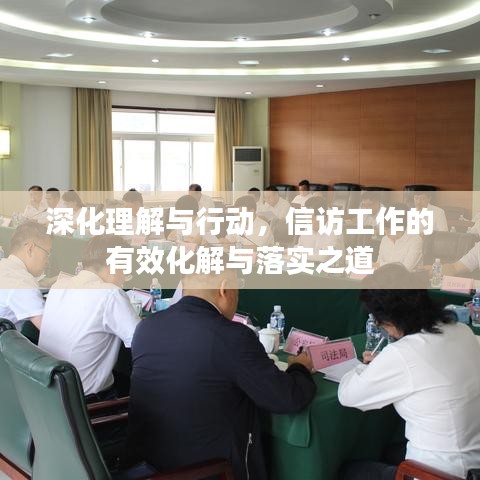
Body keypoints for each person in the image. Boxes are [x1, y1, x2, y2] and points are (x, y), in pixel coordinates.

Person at [126, 266, 316, 480]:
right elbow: (287, 397)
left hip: (146, 467)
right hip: (209, 471)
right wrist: (300, 367)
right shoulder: (232, 336)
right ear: (225, 289)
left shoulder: (146, 327)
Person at [338, 264, 480, 479]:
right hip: (474, 462)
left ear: (388, 320)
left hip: (438, 474)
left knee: (349, 471)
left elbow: (348, 396)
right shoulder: (462, 331)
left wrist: (365, 366)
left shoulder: (404, 353)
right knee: (389, 451)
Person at [38, 235, 140, 399]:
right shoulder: (110, 294)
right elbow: (141, 341)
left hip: (49, 393)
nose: (124, 278)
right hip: (88, 401)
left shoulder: (59, 285)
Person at [0, 222, 51, 330]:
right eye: (47, 253)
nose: (47, 261)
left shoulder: (4, 266)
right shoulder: (21, 280)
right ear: (30, 249)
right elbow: (50, 329)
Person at [375, 207, 423, 271]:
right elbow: (378, 263)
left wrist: (381, 265)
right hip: (385, 275)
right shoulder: (385, 240)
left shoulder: (415, 240)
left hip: (407, 276)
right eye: (385, 229)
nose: (386, 232)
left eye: (389, 230)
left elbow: (405, 268)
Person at [297, 196, 344, 261]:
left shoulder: (334, 232)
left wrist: (300, 254)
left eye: (312, 219)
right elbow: (300, 246)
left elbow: (323, 258)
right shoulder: (310, 227)